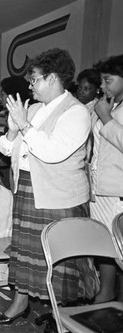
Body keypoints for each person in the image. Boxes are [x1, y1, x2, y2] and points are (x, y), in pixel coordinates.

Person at [0, 48, 97, 324]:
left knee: (57, 257)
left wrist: (25, 125)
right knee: (26, 252)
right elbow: (5, 149)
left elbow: (53, 153)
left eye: (34, 80)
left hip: (58, 195)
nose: (30, 86)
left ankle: (60, 313)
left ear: (53, 78)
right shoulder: (35, 109)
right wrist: (14, 129)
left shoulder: (76, 112)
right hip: (28, 188)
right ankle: (20, 303)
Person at [89, 54, 123, 303]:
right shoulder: (107, 105)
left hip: (118, 190)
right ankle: (106, 292)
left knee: (120, 249)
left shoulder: (108, 111)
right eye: (101, 81)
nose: (102, 86)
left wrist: (107, 118)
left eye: (108, 80)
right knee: (104, 245)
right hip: (100, 188)